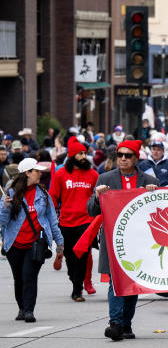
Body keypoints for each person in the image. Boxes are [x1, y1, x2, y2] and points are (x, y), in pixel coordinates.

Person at [87, 140, 158, 341]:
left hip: (139, 242)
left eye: (128, 155)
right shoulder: (105, 177)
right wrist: (97, 196)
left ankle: (126, 323)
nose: (123, 159)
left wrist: (155, 194)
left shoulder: (148, 180)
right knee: (115, 282)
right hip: (113, 240)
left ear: (136, 158)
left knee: (132, 284)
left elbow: (158, 210)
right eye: (120, 155)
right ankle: (115, 323)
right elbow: (92, 211)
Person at [1, 158, 64, 323]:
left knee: (29, 277)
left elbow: (52, 220)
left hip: (36, 243)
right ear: (27, 173)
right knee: (19, 278)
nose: (40, 173)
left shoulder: (43, 194)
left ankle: (29, 310)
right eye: (36, 171)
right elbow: (2, 222)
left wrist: (59, 242)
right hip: (14, 244)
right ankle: (21, 308)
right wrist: (5, 207)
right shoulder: (11, 193)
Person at [48, 138, 98, 301]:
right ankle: (74, 279)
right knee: (70, 255)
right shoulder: (61, 174)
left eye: (85, 153)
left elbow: (98, 199)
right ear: (71, 156)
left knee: (83, 254)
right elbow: (53, 196)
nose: (84, 156)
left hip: (86, 222)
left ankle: (77, 289)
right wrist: (49, 217)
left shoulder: (93, 175)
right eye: (80, 153)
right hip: (66, 221)